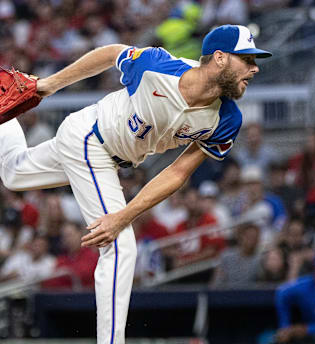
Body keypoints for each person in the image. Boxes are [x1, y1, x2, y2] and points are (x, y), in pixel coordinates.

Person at [0, 24, 271, 343]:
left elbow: (177, 173)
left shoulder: (227, 118)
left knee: (13, 173)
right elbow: (112, 53)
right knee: (120, 245)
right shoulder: (159, 66)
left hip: (109, 157)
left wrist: (123, 215)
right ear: (221, 58)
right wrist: (47, 85)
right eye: (247, 59)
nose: (254, 68)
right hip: (90, 139)